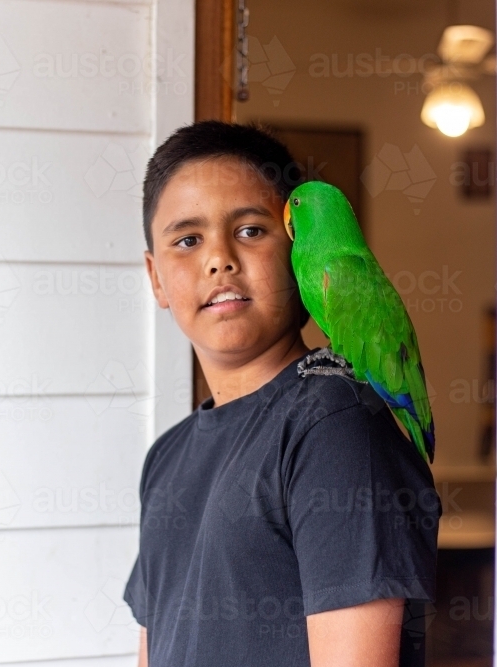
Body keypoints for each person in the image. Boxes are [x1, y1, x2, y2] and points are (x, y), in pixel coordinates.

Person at [125, 121, 440, 667]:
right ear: (156, 278)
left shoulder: (336, 428)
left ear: (298, 251)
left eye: (250, 230)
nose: (219, 259)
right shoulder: (165, 458)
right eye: (187, 240)